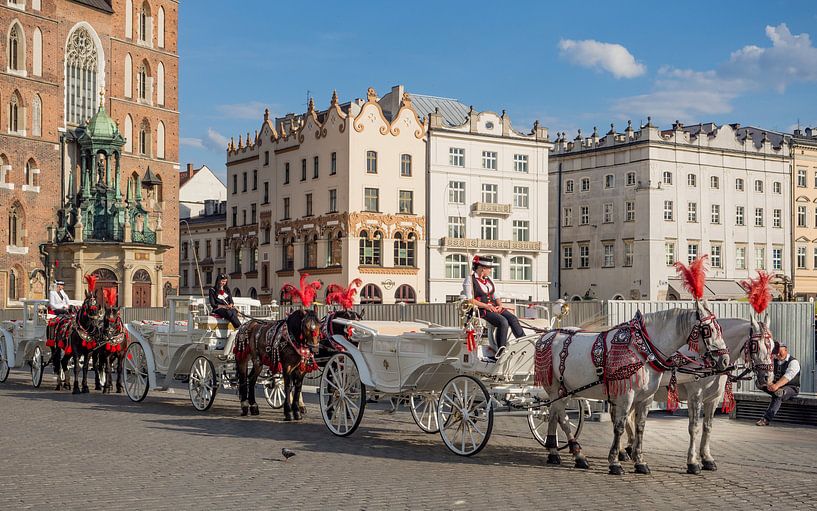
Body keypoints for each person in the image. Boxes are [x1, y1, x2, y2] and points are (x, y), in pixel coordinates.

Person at [462, 255, 524, 360]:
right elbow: (470, 299)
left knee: (513, 318)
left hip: (494, 307)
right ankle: (501, 352)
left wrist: (500, 305)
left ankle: (523, 343)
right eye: (489, 269)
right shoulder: (469, 280)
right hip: (481, 309)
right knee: (503, 322)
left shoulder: (489, 279)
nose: (490, 271)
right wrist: (486, 306)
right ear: (482, 269)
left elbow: (495, 295)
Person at [756, 343, 800, 426]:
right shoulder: (773, 360)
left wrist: (776, 386)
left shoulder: (793, 362)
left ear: (786, 350)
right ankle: (777, 392)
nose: (778, 354)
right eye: (776, 353)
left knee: (778, 393)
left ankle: (766, 419)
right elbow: (768, 374)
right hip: (775, 386)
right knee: (759, 384)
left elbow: (788, 376)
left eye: (780, 352)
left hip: (791, 388)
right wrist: (768, 383)